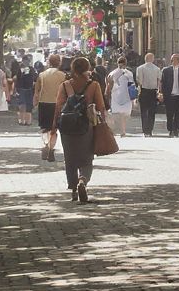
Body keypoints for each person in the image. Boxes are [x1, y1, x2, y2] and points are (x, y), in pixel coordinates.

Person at [52, 56, 107, 203]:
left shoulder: (65, 85)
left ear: (73, 68)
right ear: (88, 68)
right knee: (86, 159)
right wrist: (104, 123)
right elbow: (101, 106)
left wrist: (53, 127)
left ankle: (74, 190)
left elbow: (58, 107)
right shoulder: (93, 85)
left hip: (67, 127)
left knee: (70, 159)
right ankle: (83, 180)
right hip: (86, 125)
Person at [36, 53, 67, 161]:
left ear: (49, 62)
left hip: (44, 102)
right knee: (54, 129)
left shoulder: (42, 75)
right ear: (59, 62)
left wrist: (35, 102)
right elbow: (65, 91)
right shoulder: (63, 75)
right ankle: (51, 148)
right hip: (57, 103)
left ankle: (45, 144)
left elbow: (37, 90)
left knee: (45, 128)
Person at [158, 53, 179, 138]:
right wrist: (161, 93)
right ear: (171, 60)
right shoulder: (166, 70)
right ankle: (170, 129)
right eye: (173, 59)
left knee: (178, 114)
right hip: (169, 95)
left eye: (176, 59)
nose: (174, 60)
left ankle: (176, 129)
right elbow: (162, 83)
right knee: (169, 114)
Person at [106, 56, 135, 138]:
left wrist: (107, 93)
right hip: (126, 95)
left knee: (117, 114)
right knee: (124, 115)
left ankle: (118, 130)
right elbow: (131, 85)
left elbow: (108, 84)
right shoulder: (129, 73)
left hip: (115, 94)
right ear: (125, 63)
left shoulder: (112, 73)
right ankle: (122, 131)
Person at [135, 52, 162, 137]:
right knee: (152, 112)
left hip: (144, 91)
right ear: (153, 59)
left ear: (145, 59)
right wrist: (159, 91)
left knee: (143, 111)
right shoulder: (157, 69)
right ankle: (150, 130)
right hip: (153, 92)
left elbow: (139, 81)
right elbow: (159, 81)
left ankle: (145, 130)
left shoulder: (140, 68)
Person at [14, 54, 37, 126]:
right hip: (25, 89)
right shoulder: (28, 69)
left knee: (23, 105)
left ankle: (24, 120)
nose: (26, 62)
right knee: (25, 105)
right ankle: (25, 120)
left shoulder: (27, 69)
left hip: (24, 89)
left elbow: (19, 78)